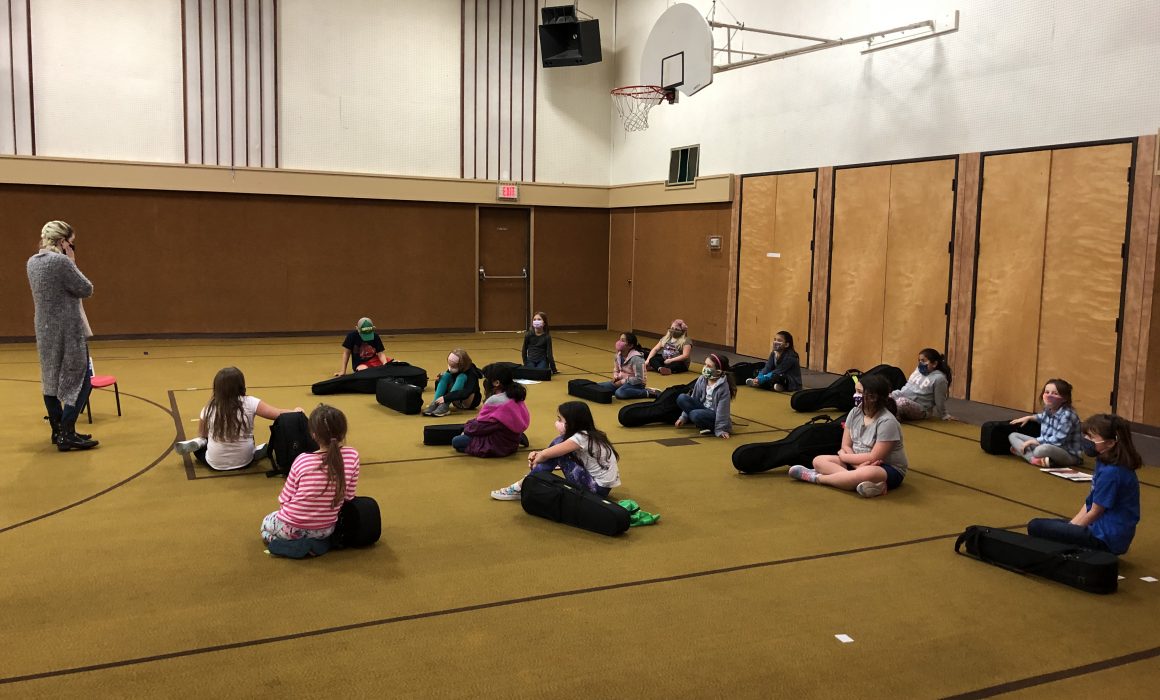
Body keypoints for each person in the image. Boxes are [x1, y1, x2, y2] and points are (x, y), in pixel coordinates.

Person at [27, 220, 98, 451]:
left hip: (45, 329)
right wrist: (72, 262)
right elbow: (86, 288)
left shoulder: (32, 263)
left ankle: (57, 431)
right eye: (71, 243)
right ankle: (67, 432)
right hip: (68, 329)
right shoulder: (60, 262)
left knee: (50, 378)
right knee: (81, 379)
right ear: (62, 241)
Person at [1027, 414, 1141, 555]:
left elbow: (1095, 512)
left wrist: (1070, 533)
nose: (1086, 440)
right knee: (1051, 525)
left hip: (1105, 539)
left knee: (1036, 526)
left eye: (1091, 437)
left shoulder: (1112, 473)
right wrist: (1072, 527)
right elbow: (1090, 504)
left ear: (1110, 443)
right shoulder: (1104, 461)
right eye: (1086, 436)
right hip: (1099, 528)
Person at [261, 404, 360, 553]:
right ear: (343, 432)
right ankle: (315, 544)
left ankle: (290, 545)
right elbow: (348, 496)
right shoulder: (352, 456)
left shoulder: (303, 460)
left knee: (265, 526)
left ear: (313, 434)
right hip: (325, 530)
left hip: (291, 527)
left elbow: (284, 499)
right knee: (314, 531)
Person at [789, 373, 908, 498]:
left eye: (859, 392)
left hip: (884, 467)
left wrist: (845, 458)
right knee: (818, 461)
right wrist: (856, 466)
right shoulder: (855, 412)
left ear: (873, 397)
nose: (855, 395)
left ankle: (817, 478)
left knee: (866, 473)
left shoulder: (887, 422)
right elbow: (845, 445)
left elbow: (874, 457)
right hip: (855, 461)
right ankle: (862, 483)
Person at [175, 367, 302, 470]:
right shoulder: (251, 402)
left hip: (215, 462)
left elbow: (202, 433)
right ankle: (253, 451)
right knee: (249, 435)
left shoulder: (208, 408)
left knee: (203, 443)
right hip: (245, 460)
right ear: (241, 385)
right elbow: (277, 413)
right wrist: (295, 411)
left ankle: (198, 443)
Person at [491, 401, 620, 500]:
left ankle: (521, 486)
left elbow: (549, 453)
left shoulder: (580, 437)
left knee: (557, 447)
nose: (557, 422)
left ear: (572, 423)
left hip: (595, 490)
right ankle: (527, 482)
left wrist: (540, 456)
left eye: (560, 420)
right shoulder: (590, 434)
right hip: (602, 488)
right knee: (556, 449)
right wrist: (540, 455)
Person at [451, 363, 531, 458]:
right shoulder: (516, 395)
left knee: (456, 441)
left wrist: (466, 428)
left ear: (496, 383)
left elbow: (480, 426)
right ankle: (519, 437)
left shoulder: (495, 400)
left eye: (487, 379)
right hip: (512, 437)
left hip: (497, 444)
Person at [1009, 378, 1083, 467]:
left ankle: (1028, 456)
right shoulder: (1049, 408)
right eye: (1047, 392)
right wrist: (1029, 417)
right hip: (1047, 444)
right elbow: (1042, 417)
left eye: (1055, 393)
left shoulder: (1067, 415)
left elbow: (1057, 441)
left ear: (1064, 399)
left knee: (1040, 450)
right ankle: (1038, 459)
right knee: (1013, 435)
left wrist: (1034, 441)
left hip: (1068, 454)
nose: (1049, 396)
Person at [675, 353, 735, 438]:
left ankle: (711, 427)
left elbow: (723, 411)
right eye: (705, 364)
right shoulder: (702, 379)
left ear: (718, 371)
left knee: (694, 414)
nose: (705, 368)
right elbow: (694, 398)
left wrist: (720, 430)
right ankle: (701, 422)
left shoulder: (723, 388)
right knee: (682, 397)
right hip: (702, 409)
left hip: (713, 414)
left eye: (709, 366)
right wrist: (683, 417)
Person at [890, 348, 953, 421]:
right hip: (904, 397)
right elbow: (907, 387)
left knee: (902, 402)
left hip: (921, 409)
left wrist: (944, 415)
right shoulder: (918, 370)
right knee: (886, 398)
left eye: (923, 361)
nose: (920, 363)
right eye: (919, 361)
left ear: (934, 364)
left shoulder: (939, 379)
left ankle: (893, 416)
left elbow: (939, 400)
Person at [423, 348, 483, 417]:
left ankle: (445, 405)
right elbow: (443, 385)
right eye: (449, 365)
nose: (450, 368)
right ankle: (435, 403)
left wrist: (446, 398)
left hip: (469, 402)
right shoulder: (452, 370)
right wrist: (439, 381)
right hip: (456, 399)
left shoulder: (471, 373)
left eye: (453, 366)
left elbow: (466, 392)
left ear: (462, 365)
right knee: (445, 375)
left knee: (461, 377)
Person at [596, 332, 652, 399]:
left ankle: (647, 392)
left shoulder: (636, 358)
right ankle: (622, 389)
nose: (619, 342)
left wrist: (622, 382)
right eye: (619, 340)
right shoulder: (618, 356)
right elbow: (616, 370)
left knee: (619, 393)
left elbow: (639, 379)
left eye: (622, 341)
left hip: (636, 384)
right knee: (597, 387)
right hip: (621, 381)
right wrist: (616, 377)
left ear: (630, 345)